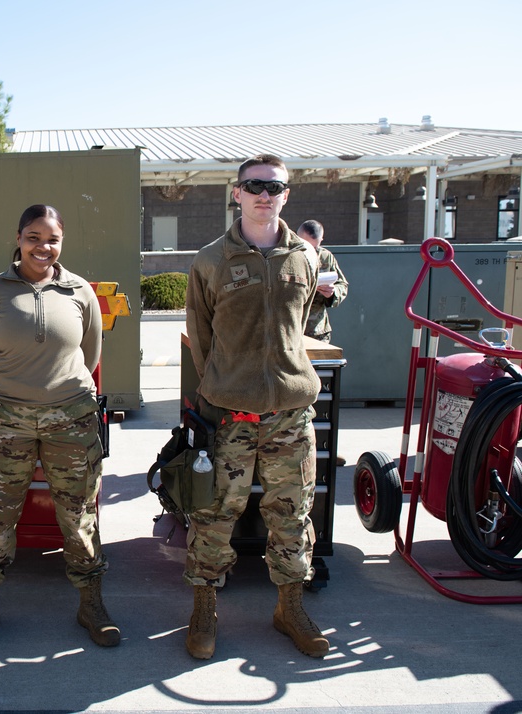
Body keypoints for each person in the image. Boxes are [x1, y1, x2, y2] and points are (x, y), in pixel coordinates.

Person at [0, 204, 119, 650]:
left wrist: (58, 396)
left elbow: (90, 355)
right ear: (18, 238)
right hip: (10, 422)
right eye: (33, 237)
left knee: (78, 514)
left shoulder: (79, 291)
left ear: (61, 242)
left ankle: (91, 604)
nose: (42, 246)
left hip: (73, 421)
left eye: (52, 238)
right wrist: (14, 394)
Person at [184, 154, 329, 660]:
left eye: (274, 187)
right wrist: (224, 387)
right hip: (231, 414)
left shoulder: (304, 259)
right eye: (254, 186)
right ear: (237, 194)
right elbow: (200, 340)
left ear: (286, 195)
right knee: (214, 514)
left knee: (291, 514)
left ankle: (289, 606)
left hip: (290, 411)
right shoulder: (210, 260)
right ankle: (204, 608)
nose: (264, 195)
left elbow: (301, 324)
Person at [297, 219, 348, 344]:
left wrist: (332, 293)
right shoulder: (287, 256)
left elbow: (342, 285)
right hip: (292, 329)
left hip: (317, 331)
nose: (309, 251)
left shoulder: (325, 257)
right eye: (305, 246)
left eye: (314, 247)